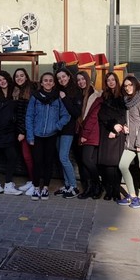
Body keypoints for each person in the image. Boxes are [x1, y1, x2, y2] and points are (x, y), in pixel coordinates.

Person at [25, 72, 69, 200]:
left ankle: (45, 188)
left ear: (54, 83)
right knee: (37, 162)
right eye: (45, 80)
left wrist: (56, 126)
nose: (48, 82)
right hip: (37, 135)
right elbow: (29, 116)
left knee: (48, 162)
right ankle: (36, 187)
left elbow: (66, 115)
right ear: (41, 82)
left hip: (51, 135)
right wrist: (30, 136)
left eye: (50, 80)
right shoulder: (35, 97)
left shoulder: (58, 98)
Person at [0, 70, 23, 195]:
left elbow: (19, 111)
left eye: (4, 79)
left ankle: (8, 183)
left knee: (12, 155)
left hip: (9, 130)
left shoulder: (16, 91)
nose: (2, 82)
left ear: (8, 78)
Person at [117, 76, 140, 208]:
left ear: (136, 85)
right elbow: (133, 120)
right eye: (125, 86)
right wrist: (126, 126)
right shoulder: (128, 100)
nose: (128, 87)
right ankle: (132, 195)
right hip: (130, 139)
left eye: (130, 84)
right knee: (123, 165)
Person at [97, 72, 127, 202]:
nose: (111, 82)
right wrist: (111, 126)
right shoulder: (104, 96)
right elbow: (102, 115)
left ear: (116, 80)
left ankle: (116, 190)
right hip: (107, 131)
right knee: (107, 164)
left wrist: (117, 128)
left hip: (118, 132)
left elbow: (124, 115)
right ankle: (109, 190)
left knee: (117, 164)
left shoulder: (122, 96)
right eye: (108, 80)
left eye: (113, 79)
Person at [55, 68, 83, 198]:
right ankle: (67, 185)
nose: (62, 79)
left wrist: (65, 98)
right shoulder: (58, 90)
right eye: (59, 78)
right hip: (58, 129)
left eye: (63, 77)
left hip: (68, 129)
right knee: (61, 158)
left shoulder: (76, 91)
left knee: (64, 157)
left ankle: (74, 186)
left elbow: (76, 113)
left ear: (68, 76)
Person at [75, 70, 102, 199]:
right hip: (81, 132)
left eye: (83, 79)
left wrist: (85, 133)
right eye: (78, 80)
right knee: (82, 162)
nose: (81, 82)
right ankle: (88, 188)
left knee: (87, 160)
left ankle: (98, 185)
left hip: (90, 132)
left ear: (88, 79)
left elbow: (93, 117)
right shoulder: (79, 94)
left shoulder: (94, 95)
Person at [13, 68, 35, 196]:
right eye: (17, 76)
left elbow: (28, 114)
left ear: (26, 77)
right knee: (27, 158)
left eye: (22, 75)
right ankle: (31, 180)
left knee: (29, 157)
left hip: (29, 131)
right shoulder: (16, 91)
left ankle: (35, 182)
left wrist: (22, 132)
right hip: (21, 130)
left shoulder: (30, 91)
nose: (19, 78)